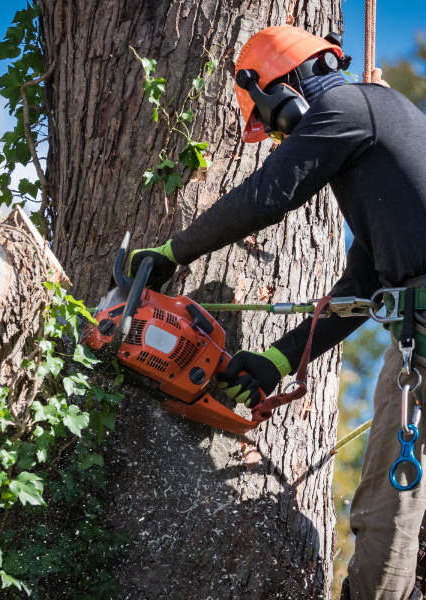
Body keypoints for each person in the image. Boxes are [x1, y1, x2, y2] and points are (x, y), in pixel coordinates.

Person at [128, 25, 426, 600]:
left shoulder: (346, 106)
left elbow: (268, 195)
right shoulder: (381, 129)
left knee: (387, 512)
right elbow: (363, 285)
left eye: (272, 124)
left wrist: (171, 253)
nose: (276, 138)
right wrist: (275, 360)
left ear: (280, 93)